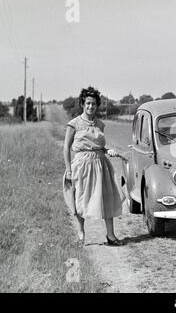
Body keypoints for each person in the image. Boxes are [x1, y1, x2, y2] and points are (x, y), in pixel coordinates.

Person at [63, 86, 124, 246]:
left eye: (94, 104)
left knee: (107, 198)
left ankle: (110, 236)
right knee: (80, 199)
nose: (91, 107)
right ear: (83, 104)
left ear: (97, 106)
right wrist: (69, 170)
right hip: (81, 166)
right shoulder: (74, 124)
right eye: (88, 103)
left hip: (100, 165)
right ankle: (81, 234)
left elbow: (99, 146)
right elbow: (66, 148)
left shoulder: (100, 124)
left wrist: (108, 150)